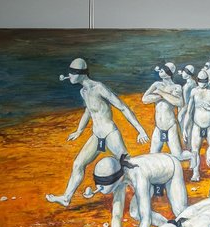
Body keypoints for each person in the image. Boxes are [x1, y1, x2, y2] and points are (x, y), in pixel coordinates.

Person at [46, 58, 149, 207]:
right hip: (97, 135)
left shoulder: (99, 87)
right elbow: (88, 111)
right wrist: (79, 131)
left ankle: (144, 196)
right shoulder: (83, 91)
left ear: (81, 73)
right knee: (78, 164)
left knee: (128, 165)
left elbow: (122, 107)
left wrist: (141, 130)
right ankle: (66, 198)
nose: (69, 75)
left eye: (73, 72)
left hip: (109, 133)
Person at [92, 153, 188, 227]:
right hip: (152, 175)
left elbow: (146, 219)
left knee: (181, 212)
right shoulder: (118, 177)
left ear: (118, 178)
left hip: (171, 168)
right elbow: (116, 215)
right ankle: (168, 226)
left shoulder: (138, 176)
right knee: (135, 212)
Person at [142, 62, 195, 164]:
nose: (160, 71)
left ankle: (192, 156)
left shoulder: (176, 87)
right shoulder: (157, 84)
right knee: (153, 155)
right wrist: (161, 96)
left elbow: (179, 102)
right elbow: (144, 99)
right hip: (159, 126)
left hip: (170, 126)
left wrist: (161, 93)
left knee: (178, 156)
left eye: (163, 70)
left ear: (169, 72)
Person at [183, 70, 210, 182]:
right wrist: (185, 128)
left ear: (207, 81)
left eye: (204, 81)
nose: (202, 83)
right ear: (197, 80)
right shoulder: (194, 92)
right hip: (197, 125)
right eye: (200, 81)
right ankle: (195, 173)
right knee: (195, 151)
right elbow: (189, 111)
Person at [177, 65, 197, 138]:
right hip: (193, 109)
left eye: (183, 72)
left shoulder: (187, 86)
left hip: (186, 111)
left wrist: (180, 114)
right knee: (190, 131)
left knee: (185, 132)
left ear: (188, 74)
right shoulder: (194, 82)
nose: (182, 73)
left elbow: (186, 104)